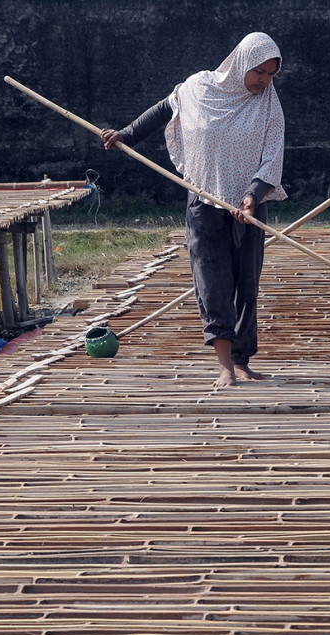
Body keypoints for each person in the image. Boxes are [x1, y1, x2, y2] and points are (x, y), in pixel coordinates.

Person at [99, 32, 286, 388]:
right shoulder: (199, 87)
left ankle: (242, 361)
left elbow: (272, 158)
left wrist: (252, 196)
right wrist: (126, 135)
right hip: (204, 202)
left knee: (246, 286)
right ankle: (225, 366)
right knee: (212, 284)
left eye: (271, 74)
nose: (264, 80)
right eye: (259, 71)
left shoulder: (268, 105)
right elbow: (164, 109)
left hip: (248, 209)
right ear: (240, 64)